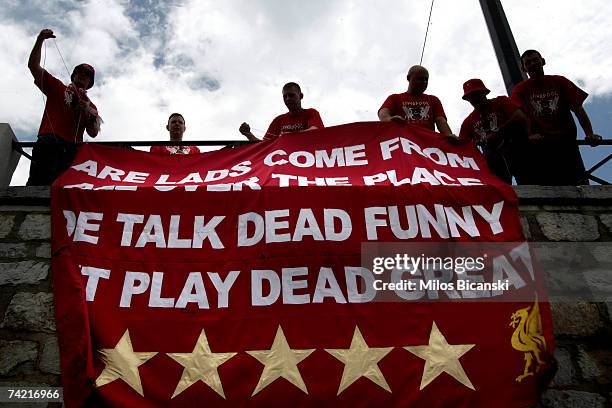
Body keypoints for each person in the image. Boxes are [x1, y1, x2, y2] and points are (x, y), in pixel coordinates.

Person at [511, 49, 602, 185]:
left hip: (566, 142)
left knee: (579, 185)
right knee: (552, 186)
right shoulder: (520, 90)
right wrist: (529, 135)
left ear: (543, 61)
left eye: (535, 59)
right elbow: (520, 115)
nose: (532, 64)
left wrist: (590, 134)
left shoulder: (559, 81)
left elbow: (578, 108)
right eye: (528, 62)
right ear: (524, 68)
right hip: (541, 145)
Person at [26, 28, 101, 186]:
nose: (82, 75)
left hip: (73, 150)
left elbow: (93, 133)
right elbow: (33, 66)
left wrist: (87, 111)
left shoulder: (92, 106)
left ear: (90, 83)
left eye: (87, 75)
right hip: (48, 143)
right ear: (73, 76)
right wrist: (40, 40)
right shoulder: (57, 87)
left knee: (65, 190)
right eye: (79, 72)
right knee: (37, 185)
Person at [458, 78, 529, 184]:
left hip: (517, 154)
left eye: (477, 94)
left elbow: (520, 117)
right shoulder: (468, 122)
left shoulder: (501, 101)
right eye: (471, 96)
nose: (474, 98)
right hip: (493, 164)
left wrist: (498, 133)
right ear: (467, 99)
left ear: (484, 93)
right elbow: (460, 145)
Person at [378, 65, 454, 136]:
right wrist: (388, 119)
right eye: (420, 78)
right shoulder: (395, 98)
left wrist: (450, 137)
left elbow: (441, 120)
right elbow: (383, 112)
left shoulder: (433, 100)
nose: (424, 82)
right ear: (408, 78)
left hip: (427, 143)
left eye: (426, 79)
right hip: (403, 141)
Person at [239, 82, 324, 141]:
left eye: (291, 95)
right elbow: (263, 146)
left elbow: (316, 131)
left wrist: (289, 136)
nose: (288, 99)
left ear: (301, 96)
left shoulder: (311, 113)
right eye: (285, 96)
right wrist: (248, 134)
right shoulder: (278, 120)